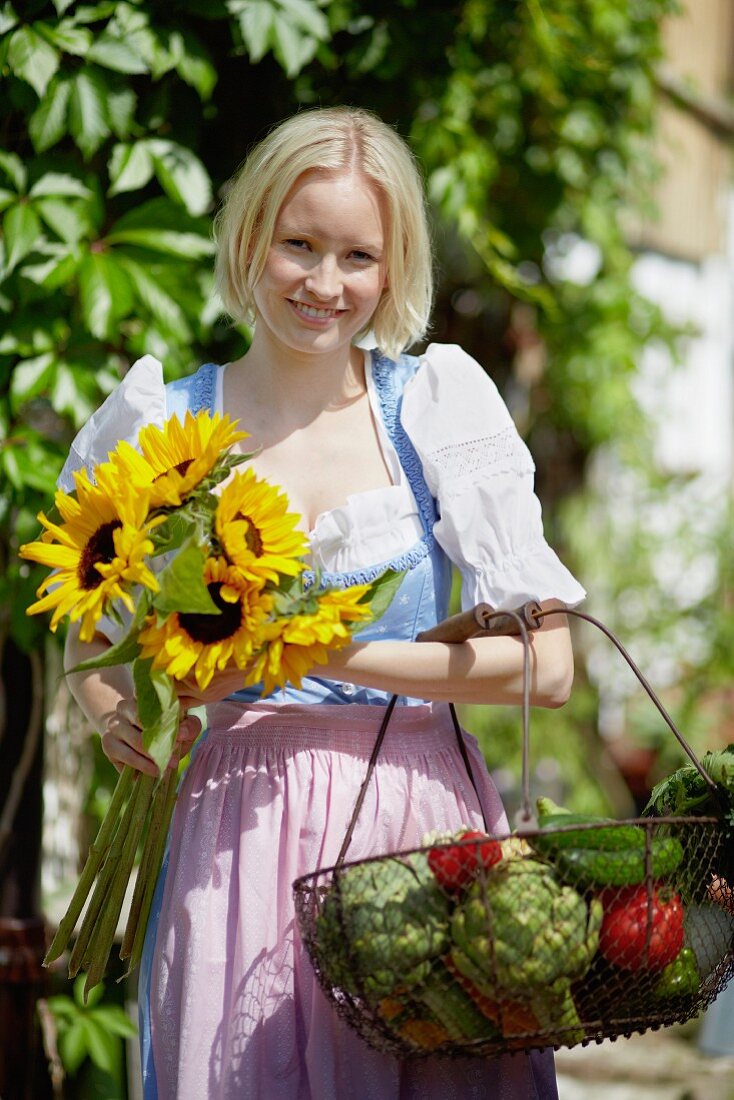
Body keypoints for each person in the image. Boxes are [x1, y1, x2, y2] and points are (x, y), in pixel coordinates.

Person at [61, 106, 586, 1099]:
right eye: (298, 244)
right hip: (232, 833)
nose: (324, 282)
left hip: (417, 833)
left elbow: (546, 667)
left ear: (392, 271)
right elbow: (90, 623)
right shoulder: (161, 420)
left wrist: (316, 651)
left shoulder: (434, 404)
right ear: (250, 236)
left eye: (357, 255)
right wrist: (113, 718)